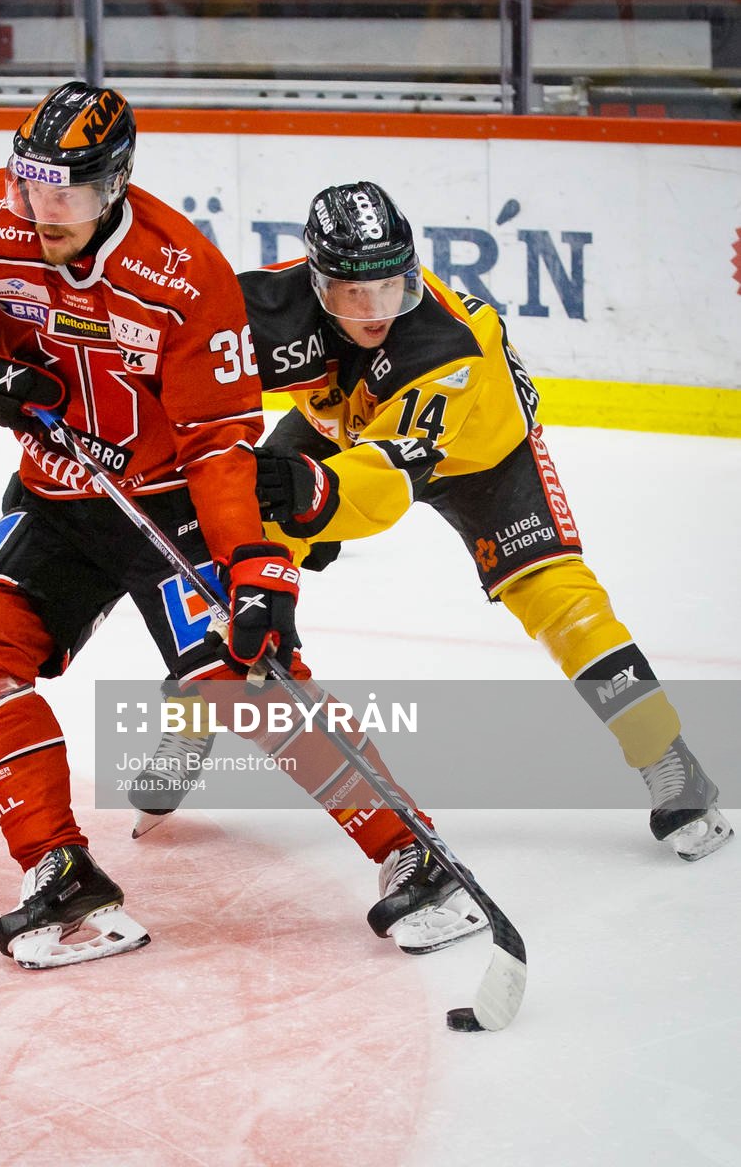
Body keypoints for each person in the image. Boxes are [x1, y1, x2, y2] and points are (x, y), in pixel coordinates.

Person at [0, 86, 462, 969]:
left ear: (115, 186)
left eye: (61, 193)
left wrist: (255, 567)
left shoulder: (186, 275)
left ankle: (411, 849)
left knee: (242, 680)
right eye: (28, 183)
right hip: (57, 498)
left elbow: (219, 447)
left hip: (168, 501)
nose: (36, 209)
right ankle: (60, 874)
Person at [238, 181, 733, 898]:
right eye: (353, 295)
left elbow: (383, 487)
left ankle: (670, 759)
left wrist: (319, 500)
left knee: (560, 600)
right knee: (238, 551)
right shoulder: (272, 304)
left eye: (391, 289)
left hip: (481, 450)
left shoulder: (448, 347)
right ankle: (198, 711)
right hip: (343, 426)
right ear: (316, 282)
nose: (376, 313)